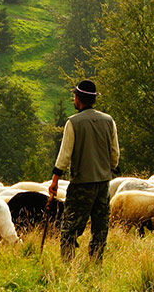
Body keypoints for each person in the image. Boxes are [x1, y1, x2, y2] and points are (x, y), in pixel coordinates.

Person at [48, 80, 120, 263]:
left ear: (78, 99)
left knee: (70, 227)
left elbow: (64, 155)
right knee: (100, 227)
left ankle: (68, 264)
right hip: (103, 183)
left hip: (81, 184)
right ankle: (96, 263)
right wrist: (108, 169)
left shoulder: (73, 123)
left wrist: (55, 179)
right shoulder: (108, 121)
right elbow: (115, 153)